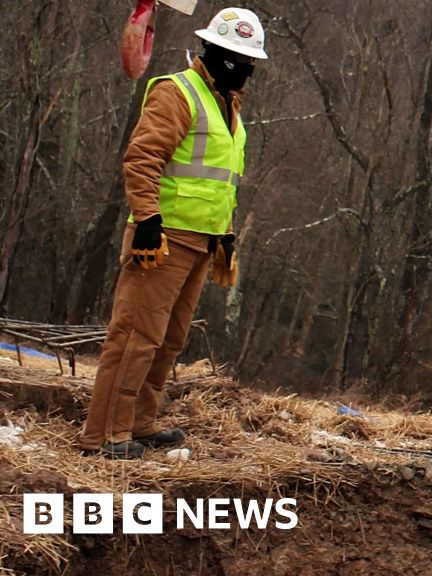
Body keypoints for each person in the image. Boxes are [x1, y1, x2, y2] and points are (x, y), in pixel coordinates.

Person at [80, 7, 268, 459]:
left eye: (250, 61)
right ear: (216, 53)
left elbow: (220, 180)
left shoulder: (230, 107)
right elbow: (142, 159)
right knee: (134, 339)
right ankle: (106, 434)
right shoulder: (177, 92)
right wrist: (146, 218)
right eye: (239, 59)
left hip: (200, 243)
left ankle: (140, 423)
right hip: (161, 240)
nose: (246, 69)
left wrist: (224, 233)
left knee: (168, 342)